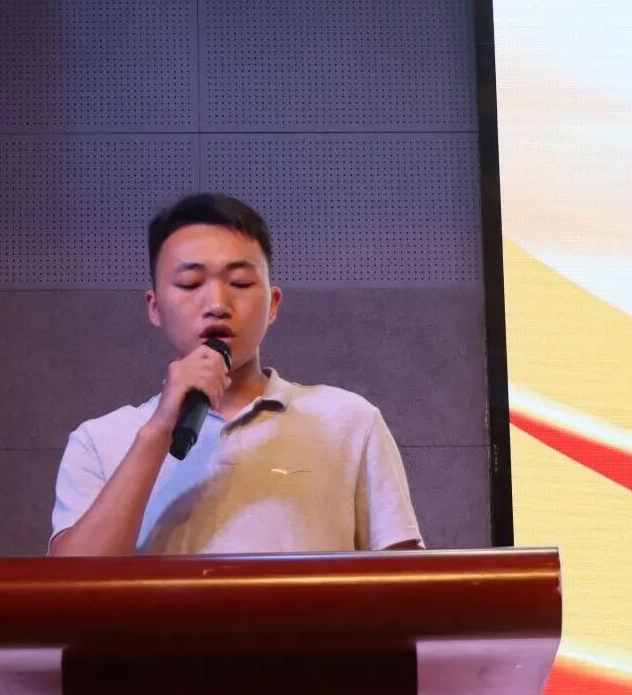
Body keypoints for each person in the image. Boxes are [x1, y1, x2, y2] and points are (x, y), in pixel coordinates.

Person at [47, 193, 425, 556]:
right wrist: (160, 428)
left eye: (240, 283)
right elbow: (69, 586)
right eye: (191, 284)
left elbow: (406, 580)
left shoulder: (350, 420)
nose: (217, 304)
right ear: (154, 307)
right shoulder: (98, 441)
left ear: (273, 304)